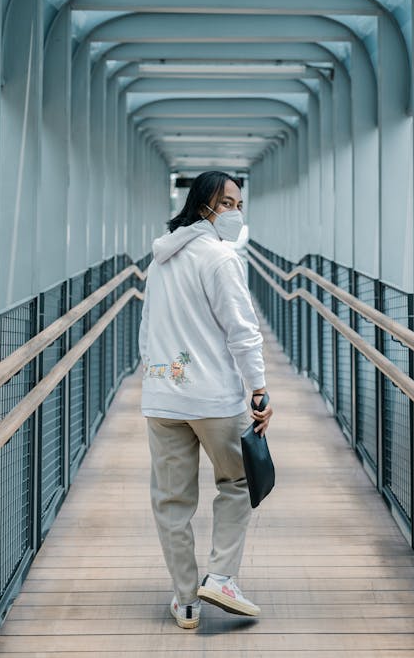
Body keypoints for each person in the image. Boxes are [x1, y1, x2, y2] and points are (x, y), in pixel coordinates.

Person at [138, 170, 273, 630]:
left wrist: (155, 379)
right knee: (236, 484)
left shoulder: (159, 261)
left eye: (239, 204)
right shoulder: (219, 259)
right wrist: (258, 387)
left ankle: (186, 601)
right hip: (215, 398)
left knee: (172, 502)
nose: (235, 212)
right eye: (228, 204)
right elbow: (242, 330)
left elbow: (146, 330)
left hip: (163, 398)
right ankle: (221, 577)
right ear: (204, 205)